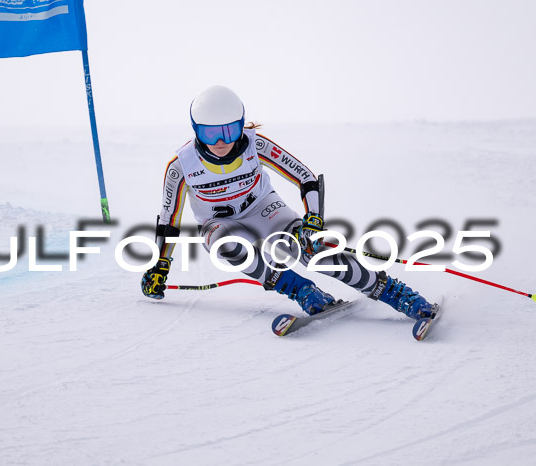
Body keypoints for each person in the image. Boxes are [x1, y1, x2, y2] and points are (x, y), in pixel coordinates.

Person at [141, 85, 435, 319]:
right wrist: (160, 266)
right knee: (223, 244)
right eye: (209, 133)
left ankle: (394, 293)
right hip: (221, 224)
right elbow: (168, 222)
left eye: (229, 130)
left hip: (263, 209)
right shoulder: (181, 166)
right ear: (196, 130)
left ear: (241, 125)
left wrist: (313, 221)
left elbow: (305, 178)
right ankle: (301, 290)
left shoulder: (255, 145)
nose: (220, 141)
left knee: (307, 251)